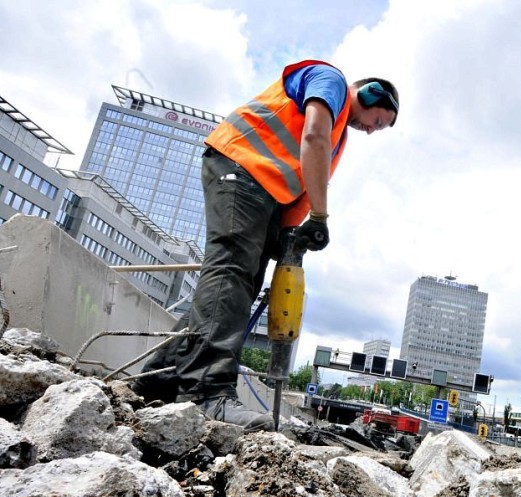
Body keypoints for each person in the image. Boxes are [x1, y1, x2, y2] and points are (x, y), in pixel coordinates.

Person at [131, 59, 399, 432]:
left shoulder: (338, 138)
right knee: (232, 272)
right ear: (371, 94)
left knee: (241, 284)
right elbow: (312, 140)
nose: (371, 130)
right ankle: (208, 391)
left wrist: (288, 237)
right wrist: (321, 219)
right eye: (378, 122)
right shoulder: (332, 82)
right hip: (241, 166)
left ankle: (155, 380)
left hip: (262, 189)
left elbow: (303, 186)